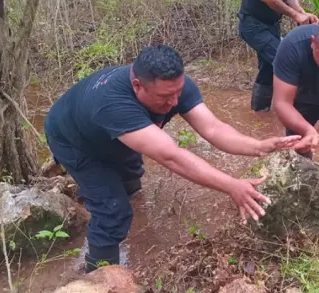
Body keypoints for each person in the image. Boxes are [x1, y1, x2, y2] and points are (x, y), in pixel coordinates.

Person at [43, 44, 301, 273]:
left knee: (131, 176)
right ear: (137, 85)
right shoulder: (112, 102)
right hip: (75, 141)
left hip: (114, 133)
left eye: (178, 92)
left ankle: (128, 198)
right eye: (165, 98)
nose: (175, 102)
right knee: (113, 211)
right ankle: (100, 278)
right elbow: (171, 156)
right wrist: (232, 185)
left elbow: (213, 129)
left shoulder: (172, 85)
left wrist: (258, 145)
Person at [273, 24, 319, 159]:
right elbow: (282, 103)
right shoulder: (293, 45)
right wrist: (308, 131)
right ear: (313, 42)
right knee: (300, 141)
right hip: (305, 91)